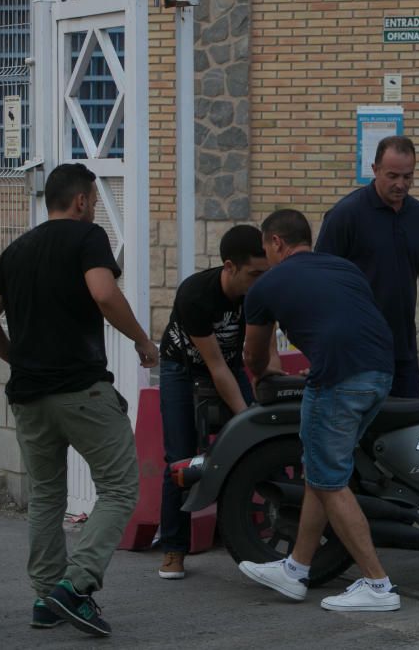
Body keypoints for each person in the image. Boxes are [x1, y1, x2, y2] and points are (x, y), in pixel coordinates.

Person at [0, 162, 159, 637]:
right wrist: (142, 341)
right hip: (80, 389)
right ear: (83, 201)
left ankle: (46, 599)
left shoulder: (17, 249)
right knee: (122, 485)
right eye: (92, 201)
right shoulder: (88, 238)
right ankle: (75, 586)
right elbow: (104, 294)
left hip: (29, 396)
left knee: (46, 494)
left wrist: (16, 356)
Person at [239, 209, 400, 612]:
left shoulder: (267, 285)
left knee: (328, 480)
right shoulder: (344, 268)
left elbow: (253, 353)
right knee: (320, 470)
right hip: (380, 373)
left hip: (337, 379)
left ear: (276, 242)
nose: (266, 257)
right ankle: (296, 569)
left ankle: (378, 585)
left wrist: (262, 376)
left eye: (266, 248)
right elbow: (349, 318)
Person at [156, 225, 277, 580]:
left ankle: (262, 533)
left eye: (265, 273)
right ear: (229, 267)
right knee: (179, 458)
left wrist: (271, 386)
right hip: (182, 367)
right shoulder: (196, 295)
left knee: (258, 450)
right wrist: (246, 418)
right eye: (254, 274)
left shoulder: (260, 292)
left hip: (230, 365)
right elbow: (216, 368)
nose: (260, 282)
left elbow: (266, 350)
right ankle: (174, 549)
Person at [315, 135, 419, 398]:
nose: (401, 184)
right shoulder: (346, 215)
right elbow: (320, 282)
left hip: (403, 351)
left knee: (407, 430)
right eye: (392, 176)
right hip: (357, 352)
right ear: (374, 170)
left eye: (407, 177)